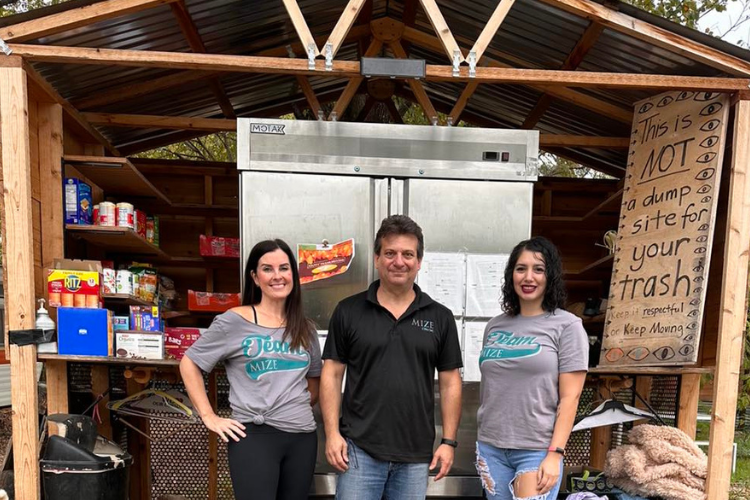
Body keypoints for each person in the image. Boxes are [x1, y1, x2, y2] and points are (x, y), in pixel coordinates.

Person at [320, 215, 463, 500]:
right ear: (376, 259)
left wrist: (448, 441)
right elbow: (332, 374)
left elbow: (450, 383)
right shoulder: (349, 311)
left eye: (408, 254)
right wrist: (333, 434)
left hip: (415, 456)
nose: (399, 261)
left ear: (419, 261)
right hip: (358, 451)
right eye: (390, 253)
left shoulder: (440, 317)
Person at [180, 239, 321, 500]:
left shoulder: (305, 327)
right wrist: (209, 416)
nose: (277, 276)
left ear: (294, 274)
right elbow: (190, 362)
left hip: (302, 437)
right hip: (254, 436)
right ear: (255, 278)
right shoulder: (234, 321)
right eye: (267, 269)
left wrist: (290, 405)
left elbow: (313, 383)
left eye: (284, 268)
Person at [476, 236, 588, 500]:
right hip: (490, 446)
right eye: (521, 268)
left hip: (536, 449)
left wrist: (555, 453)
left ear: (551, 276)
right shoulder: (495, 326)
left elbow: (570, 398)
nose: (528, 277)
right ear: (511, 275)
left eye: (538, 269)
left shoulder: (567, 326)